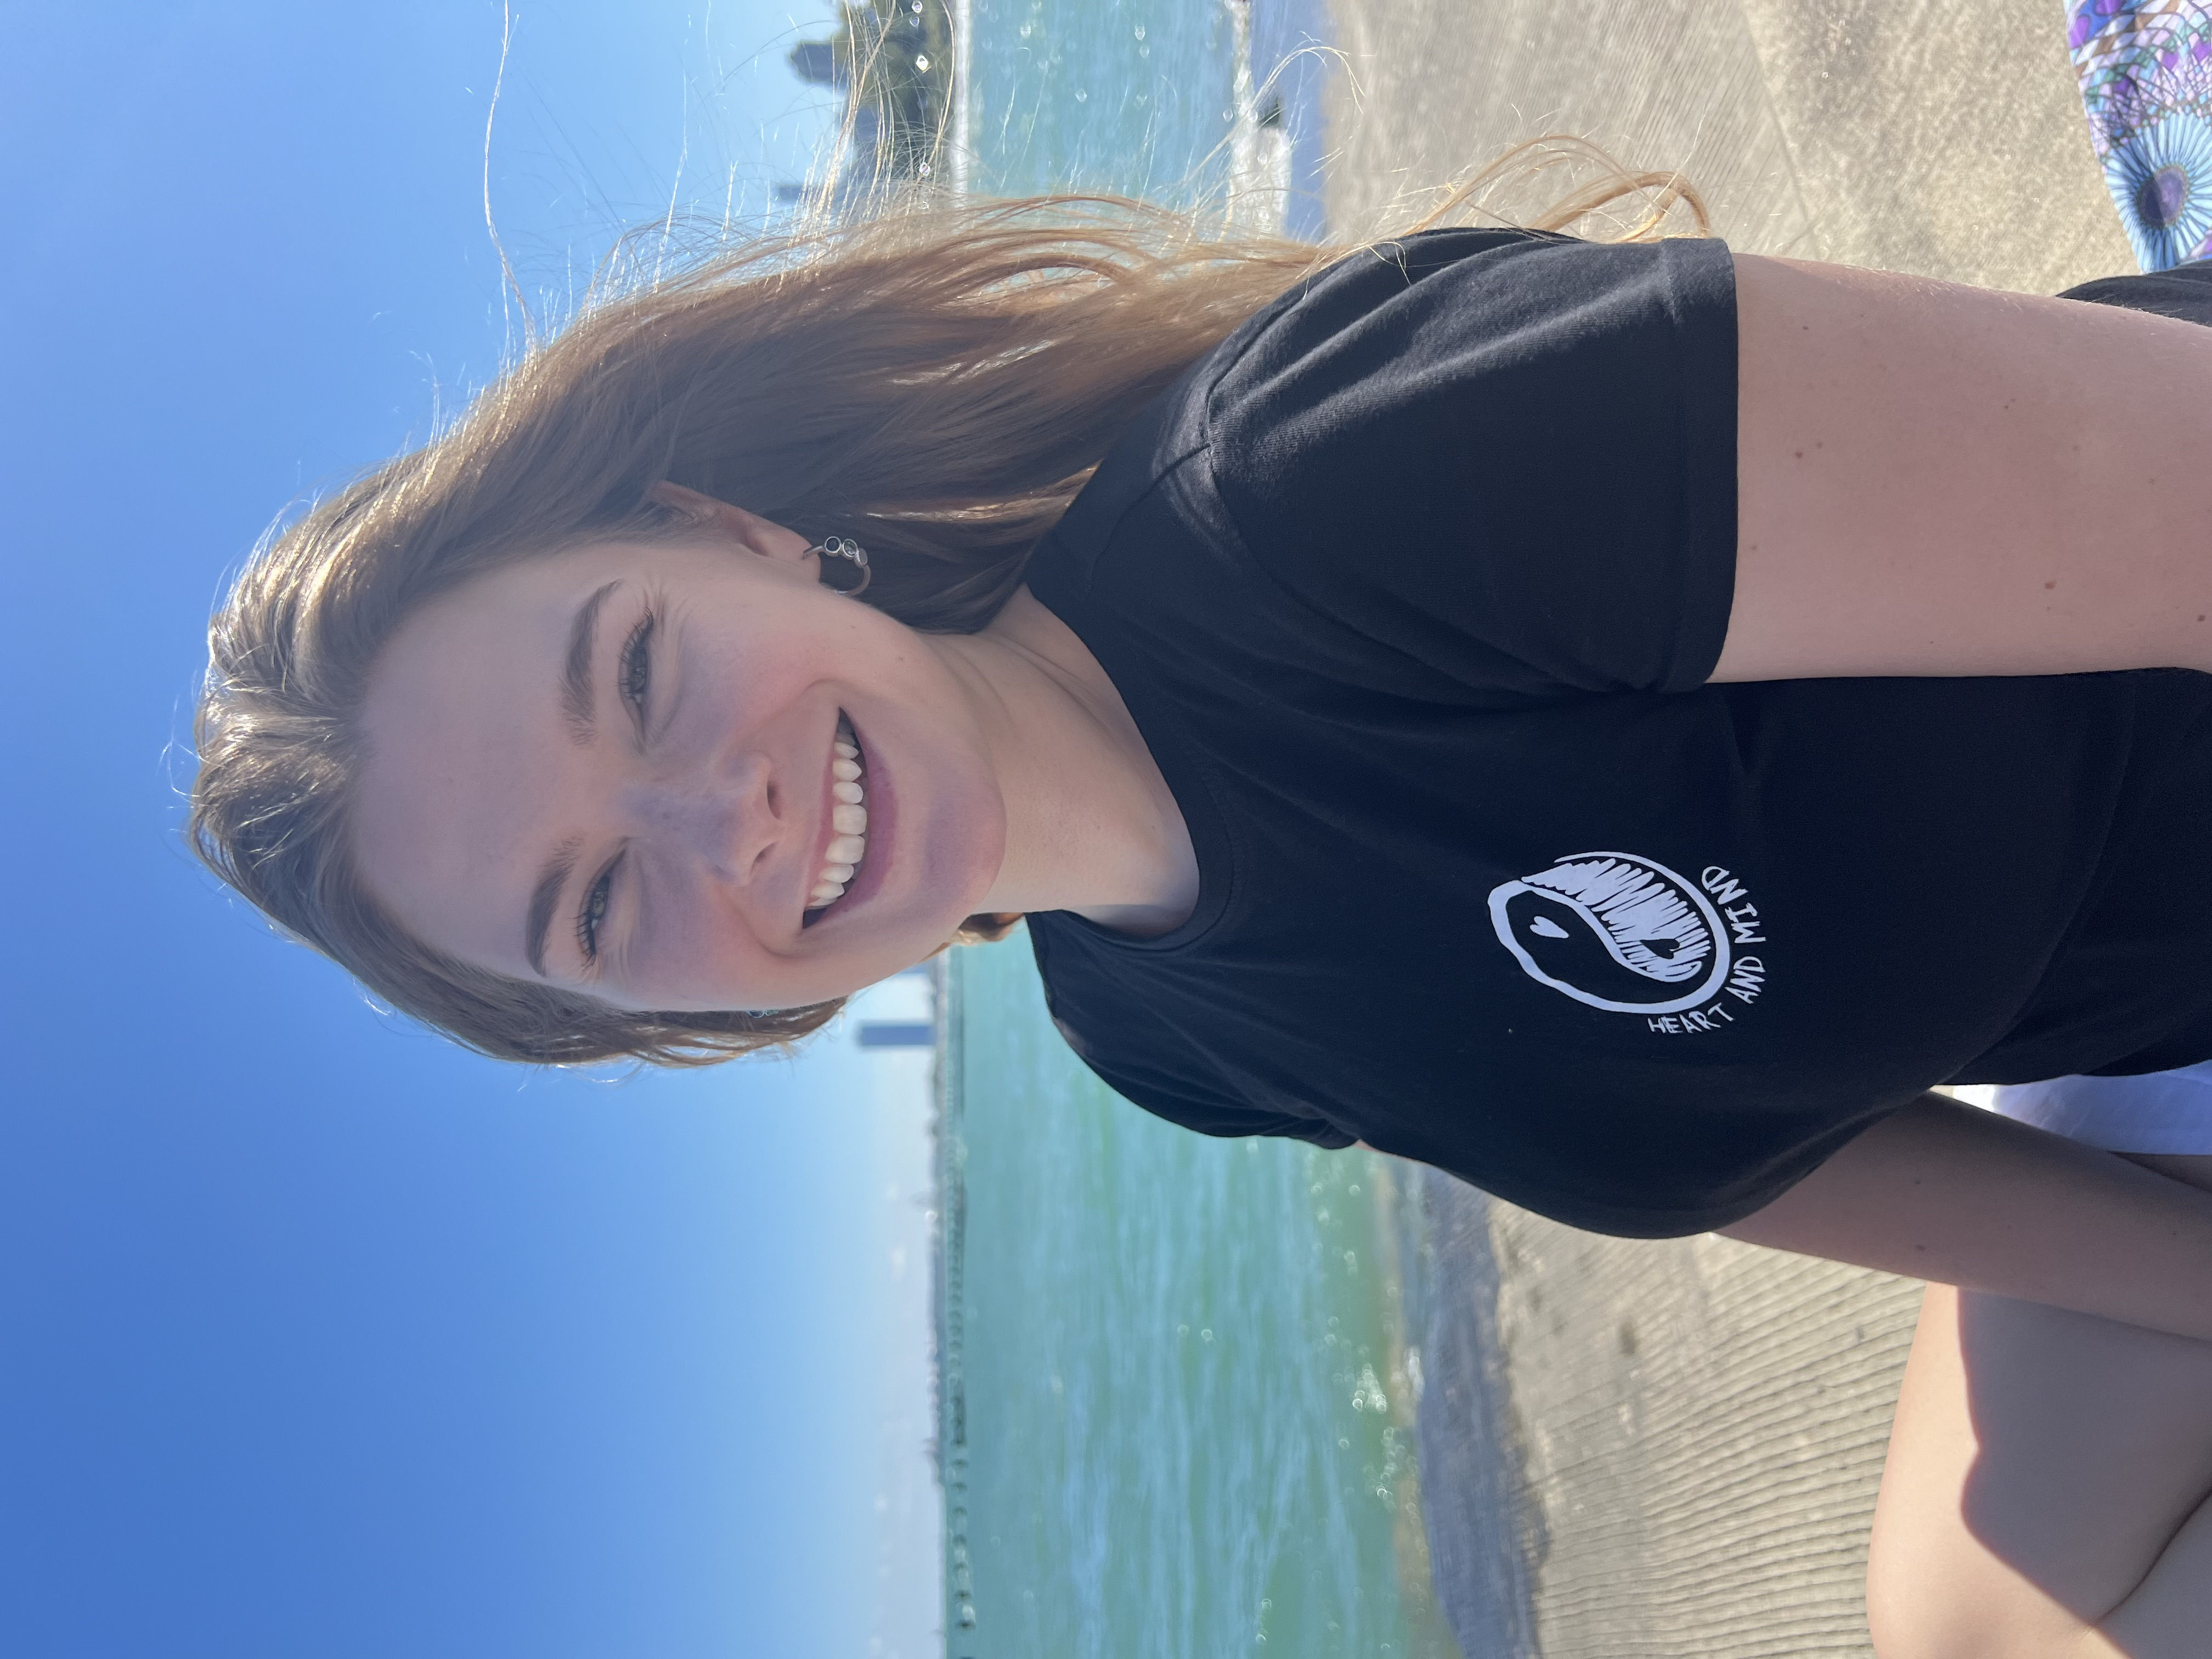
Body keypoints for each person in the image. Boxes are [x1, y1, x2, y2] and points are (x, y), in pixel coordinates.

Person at [191, 146, 2212, 1652]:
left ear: (734, 537)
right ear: (663, 1020)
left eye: (635, 672)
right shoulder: (1161, 1033)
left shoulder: (1342, 483)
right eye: (599, 910)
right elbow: (1762, 1145)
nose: (713, 819)